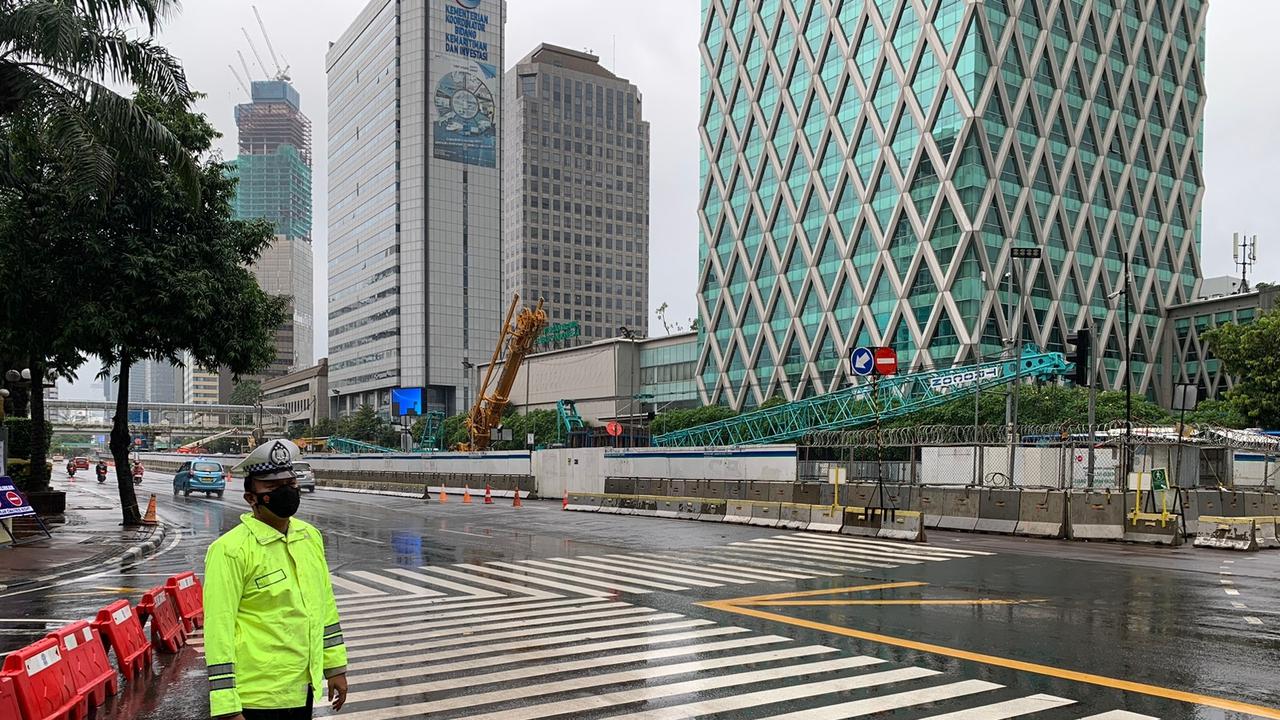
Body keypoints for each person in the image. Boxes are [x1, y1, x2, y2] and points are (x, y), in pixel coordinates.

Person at [203, 439, 348, 719]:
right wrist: (226, 706)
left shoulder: (308, 537)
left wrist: (335, 667)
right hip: (255, 699)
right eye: (272, 487)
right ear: (251, 498)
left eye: (289, 484)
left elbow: (324, 606)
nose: (285, 492)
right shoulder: (229, 551)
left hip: (301, 687)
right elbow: (218, 629)